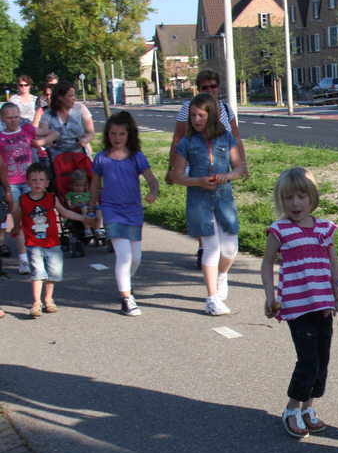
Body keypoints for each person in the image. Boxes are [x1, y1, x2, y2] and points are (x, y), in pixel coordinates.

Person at [261, 167, 338, 438]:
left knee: (322, 362)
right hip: (297, 309)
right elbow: (267, 263)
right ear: (281, 200)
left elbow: (334, 266)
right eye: (288, 198)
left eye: (301, 196)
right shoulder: (280, 230)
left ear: (312, 197)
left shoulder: (324, 229)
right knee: (308, 361)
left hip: (323, 308)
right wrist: (270, 295)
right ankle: (291, 409)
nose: (295, 203)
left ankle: (308, 408)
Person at [169, 93, 244, 315]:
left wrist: (228, 176)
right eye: (193, 115)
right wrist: (199, 181)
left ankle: (222, 275)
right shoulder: (186, 142)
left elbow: (238, 168)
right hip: (199, 202)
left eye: (201, 115)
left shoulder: (226, 139)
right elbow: (177, 176)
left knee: (230, 248)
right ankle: (212, 299)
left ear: (212, 115)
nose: (196, 119)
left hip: (224, 200)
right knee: (211, 248)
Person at [166, 70, 248, 269]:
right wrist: (171, 168)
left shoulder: (226, 108)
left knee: (221, 210)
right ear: (198, 88)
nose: (210, 90)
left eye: (213, 86)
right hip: (197, 166)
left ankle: (215, 255)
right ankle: (205, 247)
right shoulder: (189, 108)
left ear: (218, 86)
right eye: (205, 87)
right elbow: (178, 138)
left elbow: (235, 137)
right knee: (203, 211)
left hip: (222, 167)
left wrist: (242, 164)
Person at [89, 111, 160, 316]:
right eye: (113, 133)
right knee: (124, 255)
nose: (117, 138)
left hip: (133, 211)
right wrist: (92, 208)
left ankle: (126, 283)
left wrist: (153, 192)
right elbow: (95, 186)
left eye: (121, 133)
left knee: (136, 258)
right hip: (112, 211)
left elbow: (152, 180)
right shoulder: (101, 158)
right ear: (107, 134)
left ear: (129, 134)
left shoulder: (137, 157)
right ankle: (126, 298)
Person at [11, 162, 94, 318]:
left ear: (47, 183)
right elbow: (17, 215)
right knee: (38, 272)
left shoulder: (51, 198)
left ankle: (48, 299)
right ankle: (36, 302)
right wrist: (16, 227)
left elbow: (65, 212)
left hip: (53, 243)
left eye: (41, 180)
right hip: (33, 244)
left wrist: (84, 218)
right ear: (27, 182)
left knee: (53, 273)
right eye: (33, 180)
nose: (37, 183)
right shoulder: (23, 200)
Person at [0, 102, 38, 274]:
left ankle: (36, 255)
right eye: (9, 117)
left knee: (34, 219)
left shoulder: (27, 130)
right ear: (2, 119)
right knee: (19, 222)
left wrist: (41, 142)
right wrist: (6, 189)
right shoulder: (1, 137)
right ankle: (23, 260)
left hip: (29, 182)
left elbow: (52, 132)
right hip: (12, 184)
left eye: (16, 116)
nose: (14, 120)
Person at [36, 81, 95, 162]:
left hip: (80, 158)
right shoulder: (48, 114)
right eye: (70, 96)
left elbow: (91, 132)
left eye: (74, 95)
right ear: (60, 97)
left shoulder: (81, 109)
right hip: (58, 161)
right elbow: (42, 136)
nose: (74, 98)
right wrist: (47, 144)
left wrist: (84, 140)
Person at [64, 169, 96, 241]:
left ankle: (97, 229)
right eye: (76, 185)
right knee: (84, 207)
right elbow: (69, 206)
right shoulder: (70, 194)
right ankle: (87, 230)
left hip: (90, 209)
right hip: (77, 209)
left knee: (98, 208)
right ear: (71, 185)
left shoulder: (87, 193)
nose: (79, 188)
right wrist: (76, 205)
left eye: (81, 186)